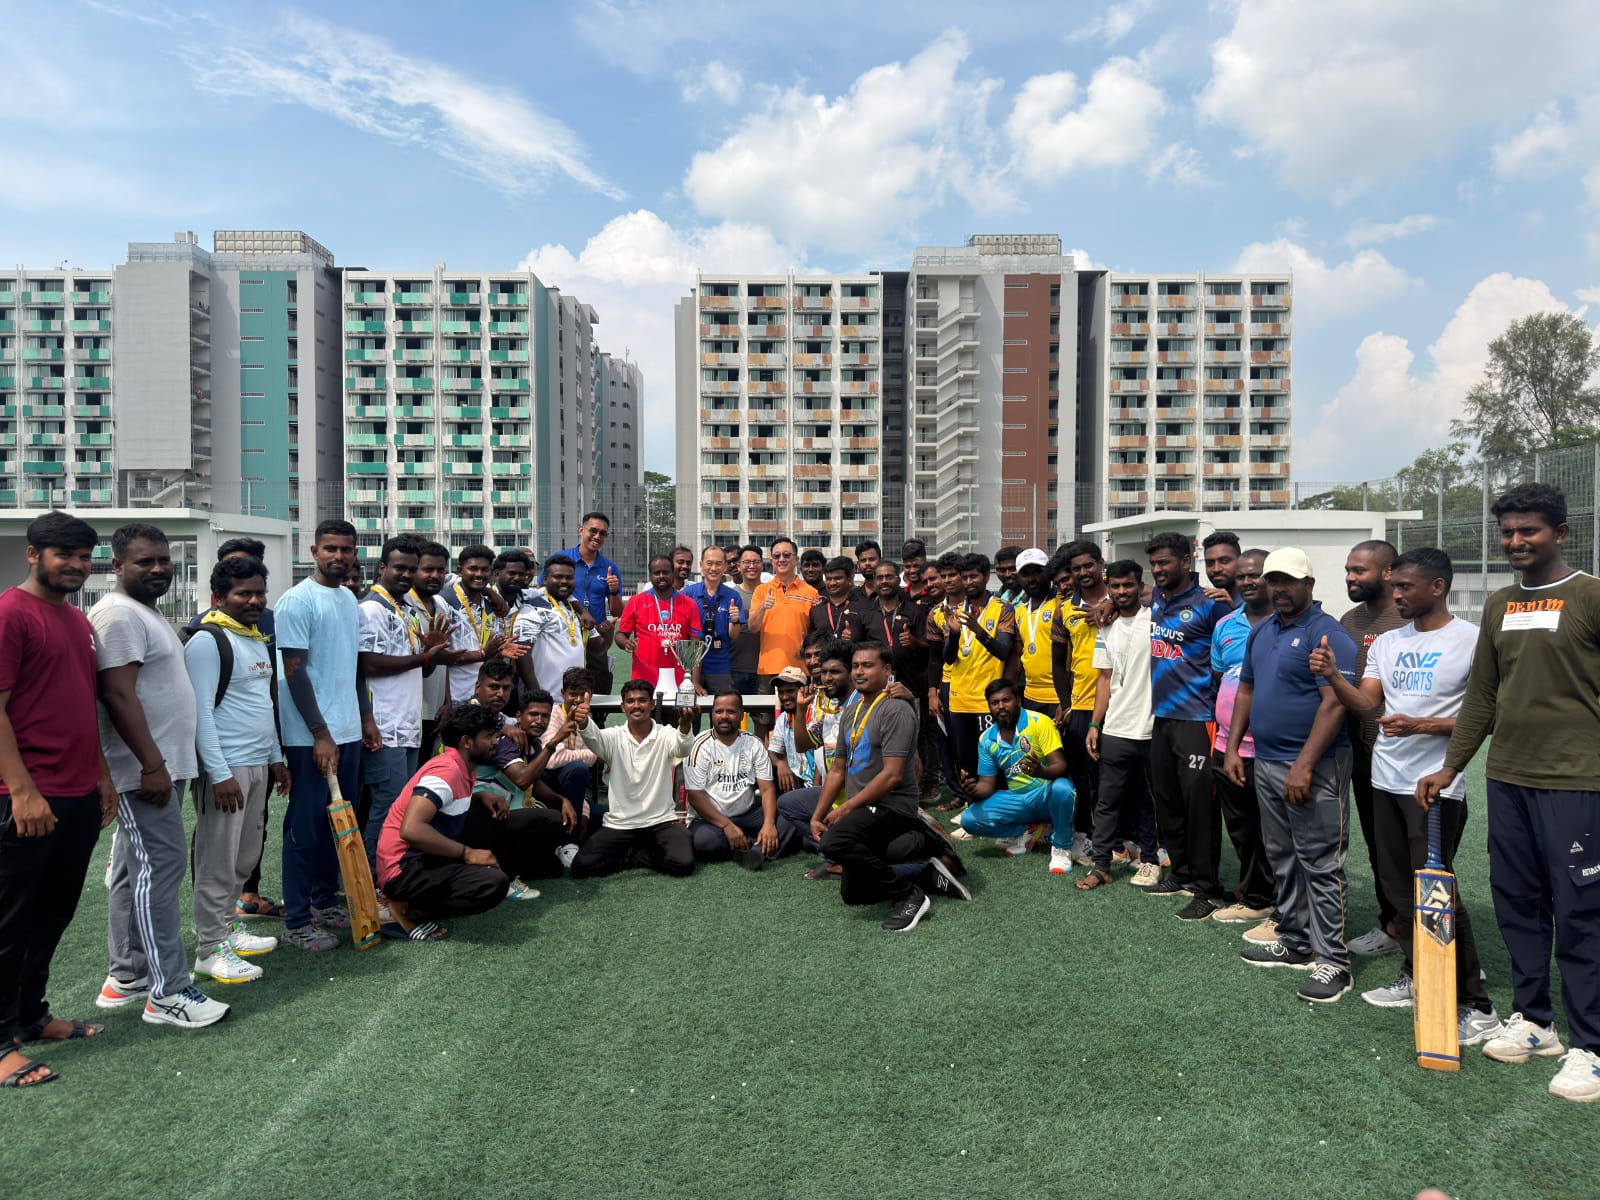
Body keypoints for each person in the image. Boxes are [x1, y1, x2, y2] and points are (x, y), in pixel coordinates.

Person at [1417, 483, 1600, 1101]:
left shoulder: (1591, 596)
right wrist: (1451, 766)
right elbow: (1482, 698)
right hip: (1509, 778)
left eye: (1530, 531)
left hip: (1578, 782)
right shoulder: (1499, 604)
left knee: (1580, 912)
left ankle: (1591, 1045)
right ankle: (1535, 1021)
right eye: (1509, 532)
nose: (1516, 541)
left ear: (1560, 534)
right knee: (1518, 903)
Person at [1308, 548, 1502, 1045]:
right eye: (1394, 586)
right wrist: (1333, 676)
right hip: (1385, 780)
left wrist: (1423, 725)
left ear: (1437, 586)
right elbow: (1367, 704)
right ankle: (1417, 976)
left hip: (1435, 786)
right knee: (1397, 892)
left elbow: (1488, 717)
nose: (1395, 595)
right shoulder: (1389, 642)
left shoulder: (1471, 640)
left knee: (1437, 893)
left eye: (1405, 587)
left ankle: (1476, 1004)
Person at [91, 523, 226, 1028]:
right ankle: (167, 992)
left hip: (160, 766)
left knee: (136, 870)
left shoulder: (142, 611)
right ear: (117, 566)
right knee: (161, 869)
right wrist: (151, 765)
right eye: (144, 561)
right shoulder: (119, 615)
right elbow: (117, 694)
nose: (158, 569)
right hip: (145, 771)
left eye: (163, 560)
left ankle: (127, 975)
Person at [0, 514, 118, 1087]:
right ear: (33, 554)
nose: (75, 565)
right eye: (63, 554)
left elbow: (81, 705)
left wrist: (101, 777)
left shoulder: (76, 621)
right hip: (25, 796)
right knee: (9, 922)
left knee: (52, 914)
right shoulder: (10, 614)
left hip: (75, 793)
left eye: (83, 556)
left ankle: (30, 1015)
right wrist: (22, 791)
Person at [1224, 547, 1359, 1004]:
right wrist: (1234, 748)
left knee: (1320, 862)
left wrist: (1303, 764)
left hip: (1315, 765)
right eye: (1273, 580)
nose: (1279, 589)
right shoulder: (1262, 631)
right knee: (1283, 856)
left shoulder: (1327, 633)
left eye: (1288, 581)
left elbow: (1335, 704)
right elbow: (1246, 689)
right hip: (1265, 760)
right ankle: (1297, 940)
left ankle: (1334, 961)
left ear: (1309, 585)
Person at [376, 704, 566, 940]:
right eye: (489, 737)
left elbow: (445, 806)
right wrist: (468, 854)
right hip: (403, 869)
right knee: (493, 885)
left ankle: (510, 867)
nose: (496, 742)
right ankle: (405, 910)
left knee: (540, 820)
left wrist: (480, 797)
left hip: (425, 854)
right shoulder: (446, 771)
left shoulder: (463, 766)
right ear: (467, 742)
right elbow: (411, 830)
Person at [184, 556, 288, 986]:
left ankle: (227, 928)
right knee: (218, 860)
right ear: (218, 597)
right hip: (226, 769)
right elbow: (200, 713)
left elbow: (263, 705)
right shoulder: (207, 641)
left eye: (260, 593)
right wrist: (219, 772)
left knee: (244, 857)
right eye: (244, 594)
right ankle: (210, 949)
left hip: (257, 763)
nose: (254, 601)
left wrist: (276, 757)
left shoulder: (254, 637)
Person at [276, 519, 369, 953]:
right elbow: (295, 674)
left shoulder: (348, 598)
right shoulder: (297, 601)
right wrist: (320, 733)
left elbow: (352, 666)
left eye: (346, 549)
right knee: (306, 829)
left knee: (339, 823)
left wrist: (364, 718)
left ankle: (325, 902)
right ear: (313, 551)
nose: (338, 556)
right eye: (330, 548)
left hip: (346, 731)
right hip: (310, 736)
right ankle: (297, 921)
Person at [815, 644, 942, 931]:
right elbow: (837, 770)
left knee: (833, 842)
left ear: (887, 670)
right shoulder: (851, 711)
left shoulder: (895, 709)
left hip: (892, 806)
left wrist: (846, 808)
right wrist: (817, 815)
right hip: (865, 807)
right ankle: (924, 874)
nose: (859, 671)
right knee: (853, 894)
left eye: (868, 665)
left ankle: (908, 894)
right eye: (856, 666)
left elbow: (893, 776)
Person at [1143, 531, 1234, 914]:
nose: (1157, 569)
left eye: (1164, 562)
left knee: (1200, 807)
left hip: (1199, 719)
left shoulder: (1211, 604)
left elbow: (1234, 650)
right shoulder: (1157, 598)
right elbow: (1127, 597)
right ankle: (1180, 874)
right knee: (1168, 801)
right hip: (1163, 717)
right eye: (1153, 564)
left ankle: (1207, 888)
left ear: (1185, 561)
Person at [360, 537, 453, 875]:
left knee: (399, 804)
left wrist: (430, 653)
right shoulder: (372, 609)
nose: (406, 575)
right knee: (385, 805)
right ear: (382, 567)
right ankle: (372, 879)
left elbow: (420, 668)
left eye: (411, 569)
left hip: (408, 723)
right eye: (400, 568)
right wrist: (425, 657)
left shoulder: (407, 610)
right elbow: (368, 664)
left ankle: (390, 872)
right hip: (384, 725)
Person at [1340, 539, 1407, 958]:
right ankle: (1391, 925)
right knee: (1379, 845)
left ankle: (1435, 938)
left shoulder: (1407, 617)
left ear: (1387, 572)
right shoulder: (1349, 620)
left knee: (1417, 850)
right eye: (1348, 570)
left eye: (1359, 570)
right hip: (1363, 755)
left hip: (1409, 755)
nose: (1350, 577)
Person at [1208, 549, 1277, 927]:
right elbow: (1222, 677)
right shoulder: (1226, 625)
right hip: (1228, 746)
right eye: (1243, 576)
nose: (1248, 582)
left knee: (1276, 831)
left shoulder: (1288, 624)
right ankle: (1256, 896)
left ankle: (1280, 900)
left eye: (1257, 575)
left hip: (1272, 750)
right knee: (1243, 828)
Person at [1080, 560, 1159, 890]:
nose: (1122, 591)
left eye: (1129, 585)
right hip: (1115, 728)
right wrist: (1095, 724)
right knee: (1107, 800)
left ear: (1140, 585)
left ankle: (1150, 860)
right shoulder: (1105, 627)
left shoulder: (1156, 620)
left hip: (1153, 728)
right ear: (1108, 588)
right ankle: (1102, 865)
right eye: (1116, 586)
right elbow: (1104, 678)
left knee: (1147, 799)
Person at [569, 681, 696, 878]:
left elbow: (683, 748)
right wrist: (584, 721)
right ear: (623, 707)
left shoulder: (666, 734)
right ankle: (635, 856)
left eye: (642, 700)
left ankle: (635, 855)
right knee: (580, 867)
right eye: (630, 701)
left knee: (684, 864)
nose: (636, 705)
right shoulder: (613, 736)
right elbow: (594, 739)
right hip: (621, 824)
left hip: (661, 821)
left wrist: (685, 725)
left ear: (652, 704)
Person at [956, 679, 1076, 872]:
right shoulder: (986, 739)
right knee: (969, 819)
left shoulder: (1039, 722)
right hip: (1017, 800)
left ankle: (1062, 847)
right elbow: (987, 784)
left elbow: (1061, 765)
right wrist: (973, 790)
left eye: (1006, 700)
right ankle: (1028, 830)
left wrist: (1041, 772)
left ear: (1018, 700)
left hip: (1044, 795)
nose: (1001, 706)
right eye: (995, 703)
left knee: (1063, 788)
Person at [928, 553, 1016, 812]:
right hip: (959, 698)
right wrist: (954, 636)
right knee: (965, 759)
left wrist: (978, 630)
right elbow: (947, 658)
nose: (968, 582)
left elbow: (1003, 651)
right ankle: (973, 808)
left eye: (973, 576)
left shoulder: (1002, 608)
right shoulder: (951, 612)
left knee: (994, 758)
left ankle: (1000, 807)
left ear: (986, 576)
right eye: (964, 577)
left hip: (989, 700)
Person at [684, 692, 792, 868]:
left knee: (789, 819)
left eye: (731, 711)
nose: (724, 716)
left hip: (747, 815)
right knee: (705, 842)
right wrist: (727, 826)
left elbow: (767, 789)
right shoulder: (699, 745)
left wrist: (768, 824)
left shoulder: (754, 743)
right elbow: (695, 797)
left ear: (742, 714)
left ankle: (753, 850)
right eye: (719, 711)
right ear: (712, 714)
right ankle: (756, 846)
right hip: (711, 820)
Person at [1049, 541, 1108, 859]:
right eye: (1076, 568)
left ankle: (1128, 838)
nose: (1083, 572)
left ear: (1101, 563)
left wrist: (1112, 607)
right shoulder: (1064, 609)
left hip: (1123, 701)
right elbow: (1058, 663)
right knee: (1084, 777)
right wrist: (1066, 703)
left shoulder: (1120, 597)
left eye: (1088, 565)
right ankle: (1087, 834)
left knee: (1122, 775)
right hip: (1082, 704)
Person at [410, 541, 472, 753]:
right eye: (427, 569)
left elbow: (442, 657)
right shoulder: (405, 604)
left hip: (437, 708)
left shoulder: (441, 604)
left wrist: (447, 700)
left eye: (440, 570)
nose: (435, 576)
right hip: (411, 709)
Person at [556, 513, 625, 698]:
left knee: (598, 691)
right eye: (593, 531)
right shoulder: (561, 560)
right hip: (564, 637)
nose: (597, 536)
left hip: (597, 639)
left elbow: (618, 612)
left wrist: (614, 591)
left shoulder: (609, 567)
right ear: (581, 530)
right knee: (563, 689)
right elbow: (544, 593)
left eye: (602, 533)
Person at [616, 555, 703, 696]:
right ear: (650, 576)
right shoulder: (635, 602)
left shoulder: (689, 604)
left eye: (665, 572)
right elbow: (620, 635)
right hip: (644, 678)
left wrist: (695, 681)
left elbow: (695, 645)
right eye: (657, 573)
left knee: (677, 711)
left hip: (679, 680)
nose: (661, 576)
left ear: (673, 573)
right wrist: (626, 642)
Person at [442, 544, 517, 707]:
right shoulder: (445, 602)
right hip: (454, 698)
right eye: (473, 569)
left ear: (491, 572)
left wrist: (498, 653)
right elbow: (441, 657)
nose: (479, 574)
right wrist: (482, 654)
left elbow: (487, 652)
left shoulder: (491, 606)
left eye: (484, 570)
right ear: (460, 571)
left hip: (483, 700)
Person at [516, 553, 597, 698]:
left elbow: (598, 647)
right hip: (545, 698)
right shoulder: (532, 604)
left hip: (573, 698)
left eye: (569, 577)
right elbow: (522, 653)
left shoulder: (573, 607)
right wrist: (537, 695)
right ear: (545, 579)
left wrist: (608, 631)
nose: (564, 581)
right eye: (558, 577)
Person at [750, 537, 819, 689]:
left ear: (796, 559)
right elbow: (753, 627)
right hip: (768, 668)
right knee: (766, 706)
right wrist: (763, 607)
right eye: (777, 556)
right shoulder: (761, 591)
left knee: (801, 705)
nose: (781, 559)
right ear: (771, 561)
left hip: (801, 668)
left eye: (787, 555)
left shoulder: (811, 593)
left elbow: (816, 631)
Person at [683, 546, 745, 695]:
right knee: (690, 707)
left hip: (720, 666)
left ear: (725, 566)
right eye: (709, 563)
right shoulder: (688, 594)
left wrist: (735, 620)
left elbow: (734, 635)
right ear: (701, 565)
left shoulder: (732, 596)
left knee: (723, 707)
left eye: (718, 564)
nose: (713, 568)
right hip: (690, 665)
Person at [767, 667, 814, 796]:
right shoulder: (783, 718)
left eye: (790, 691)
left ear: (804, 689)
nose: (784, 697)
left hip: (819, 783)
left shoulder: (816, 714)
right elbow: (772, 751)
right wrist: (780, 763)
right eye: (781, 692)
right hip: (797, 781)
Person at [729, 546, 765, 700]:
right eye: (747, 562)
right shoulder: (730, 595)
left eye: (756, 562)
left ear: (762, 565)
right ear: (738, 566)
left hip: (765, 670)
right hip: (735, 668)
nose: (752, 566)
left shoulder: (771, 593)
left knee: (764, 714)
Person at [810, 556, 868, 643]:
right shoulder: (817, 609)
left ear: (849, 579)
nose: (832, 583)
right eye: (828, 579)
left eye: (838, 578)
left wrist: (855, 638)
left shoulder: (863, 606)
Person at [1201, 531, 1242, 605]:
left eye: (1224, 561)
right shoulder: (1207, 603)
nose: (1216, 569)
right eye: (1210, 563)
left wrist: (1233, 609)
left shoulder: (1256, 602)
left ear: (1240, 561)